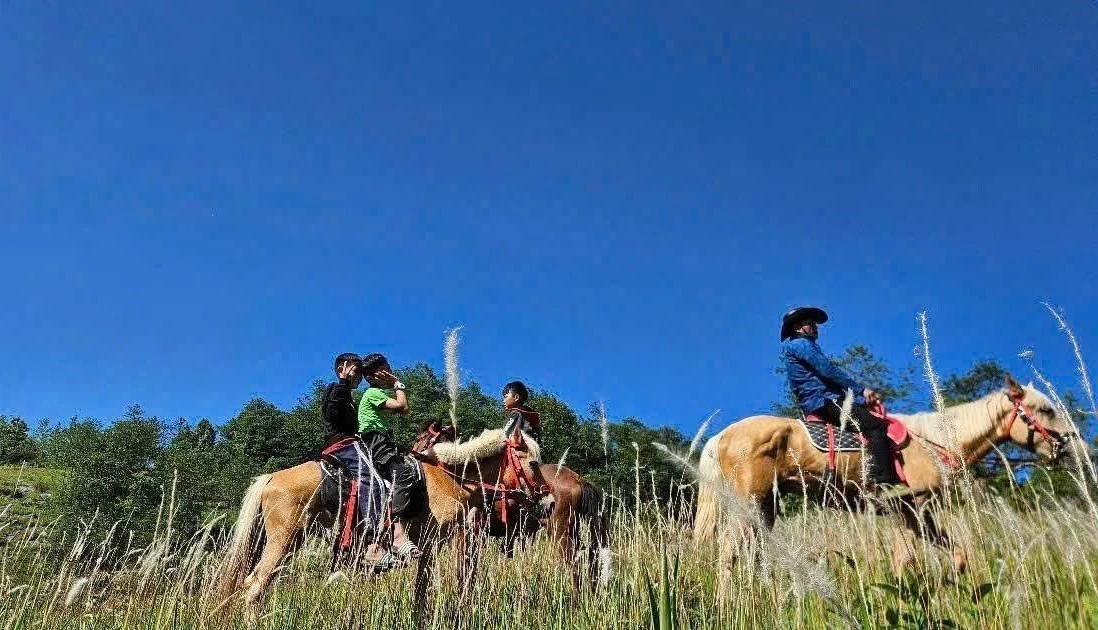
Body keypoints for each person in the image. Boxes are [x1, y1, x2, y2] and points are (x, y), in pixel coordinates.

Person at [779, 307, 900, 491]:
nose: (815, 327)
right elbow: (827, 370)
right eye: (810, 324)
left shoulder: (796, 347)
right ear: (797, 328)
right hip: (825, 401)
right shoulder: (801, 344)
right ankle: (885, 484)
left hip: (818, 402)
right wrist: (861, 390)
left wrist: (859, 402)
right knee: (876, 427)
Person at [319, 353, 390, 569]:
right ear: (343, 368)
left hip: (348, 443)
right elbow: (331, 413)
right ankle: (372, 542)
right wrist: (342, 381)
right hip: (344, 445)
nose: (358, 377)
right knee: (373, 480)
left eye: (359, 373)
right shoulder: (335, 388)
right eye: (355, 371)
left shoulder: (348, 396)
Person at [357, 352, 422, 561]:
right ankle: (398, 534)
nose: (390, 373)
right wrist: (398, 384)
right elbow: (403, 407)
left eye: (390, 369)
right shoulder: (373, 393)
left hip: (381, 440)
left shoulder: (375, 394)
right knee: (402, 474)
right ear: (371, 377)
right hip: (376, 442)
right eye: (385, 370)